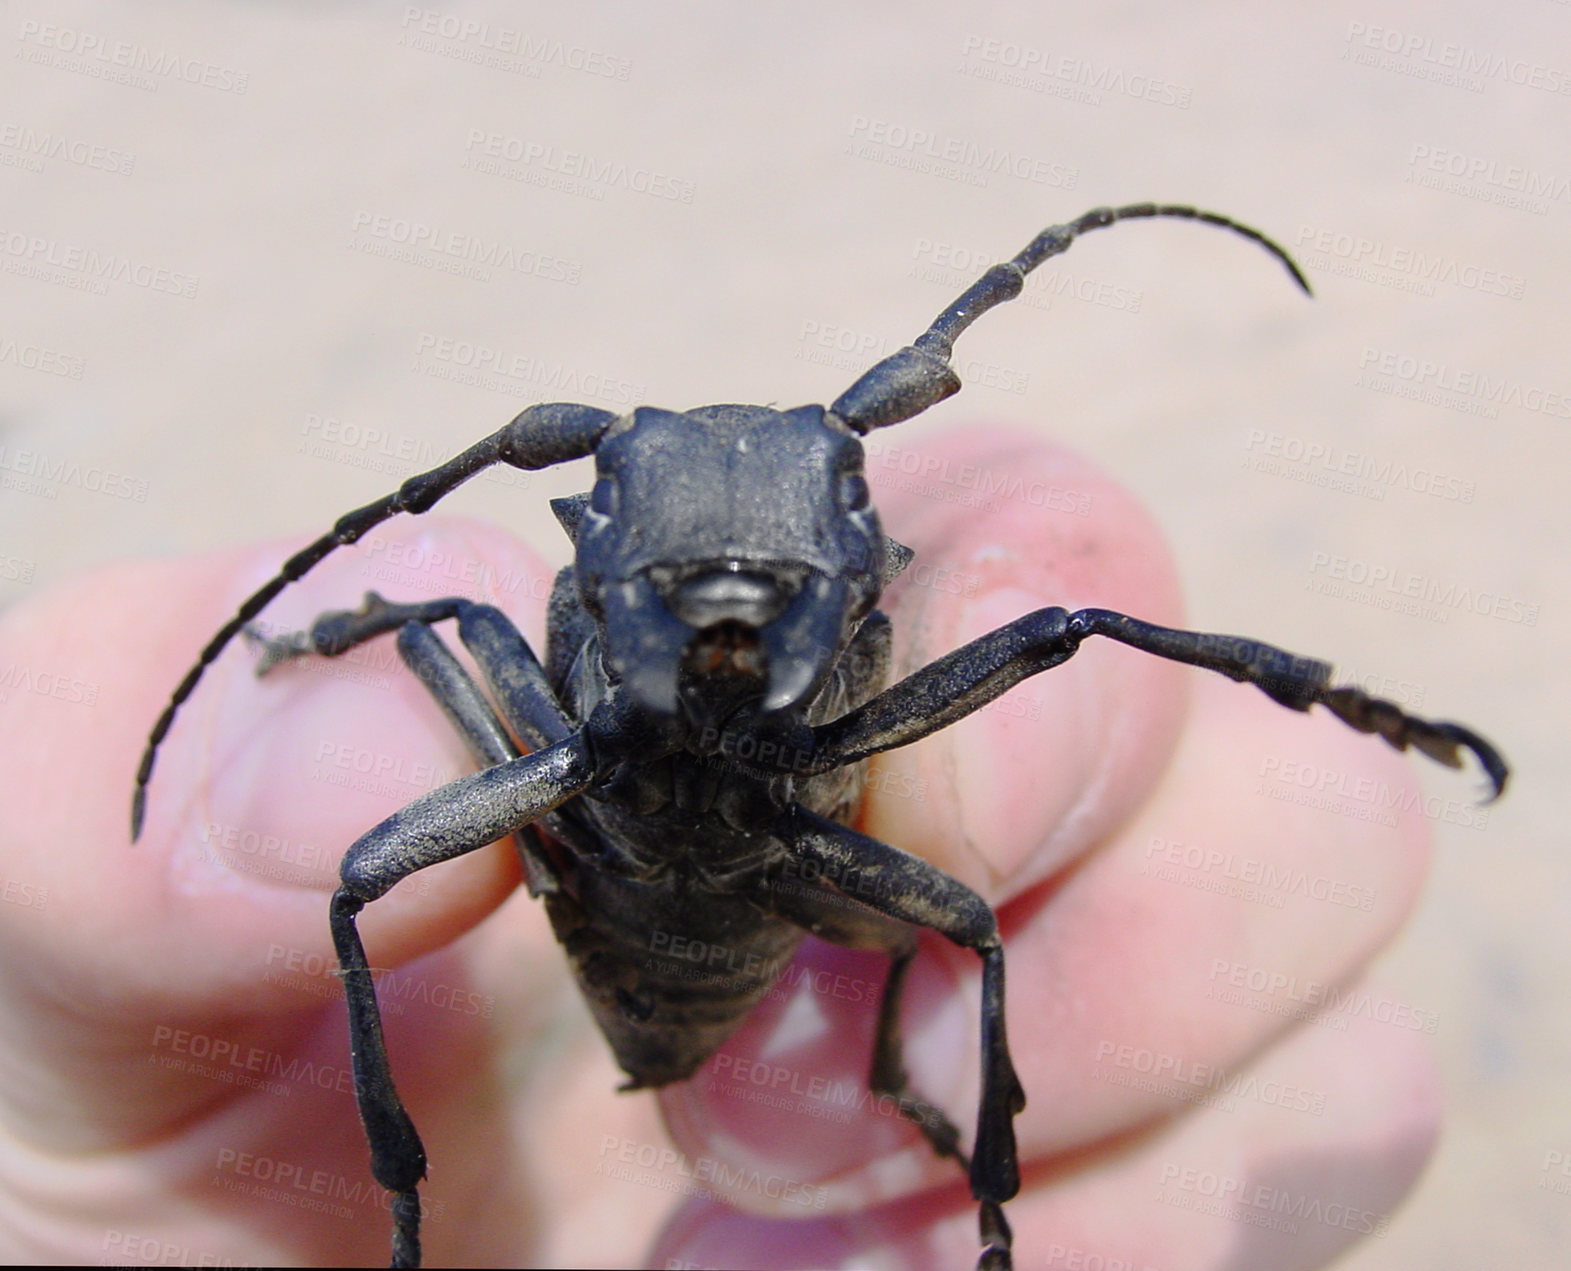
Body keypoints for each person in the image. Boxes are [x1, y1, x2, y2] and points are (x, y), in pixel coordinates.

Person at [0, 429, 1441, 1268]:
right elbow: (463, 643)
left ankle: (943, 1146)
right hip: (586, 826)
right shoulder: (566, 642)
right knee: (378, 832)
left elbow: (1026, 632)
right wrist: (342, 627)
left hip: (787, 863)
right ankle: (399, 1196)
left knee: (994, 843)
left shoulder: (845, 634)